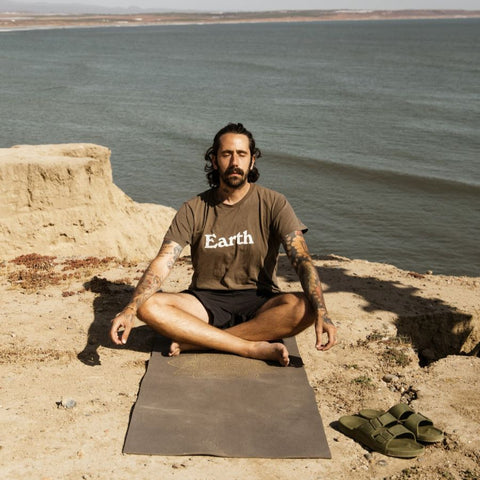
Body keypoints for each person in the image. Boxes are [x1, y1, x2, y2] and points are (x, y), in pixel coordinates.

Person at [110, 123, 337, 366]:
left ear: (252, 161)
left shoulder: (274, 203)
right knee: (149, 306)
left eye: (242, 154)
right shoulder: (194, 208)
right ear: (214, 159)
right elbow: (164, 261)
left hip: (260, 301)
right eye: (227, 154)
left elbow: (301, 260)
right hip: (204, 302)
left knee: (306, 307)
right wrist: (131, 308)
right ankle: (248, 347)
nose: (235, 162)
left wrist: (322, 311)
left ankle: (200, 342)